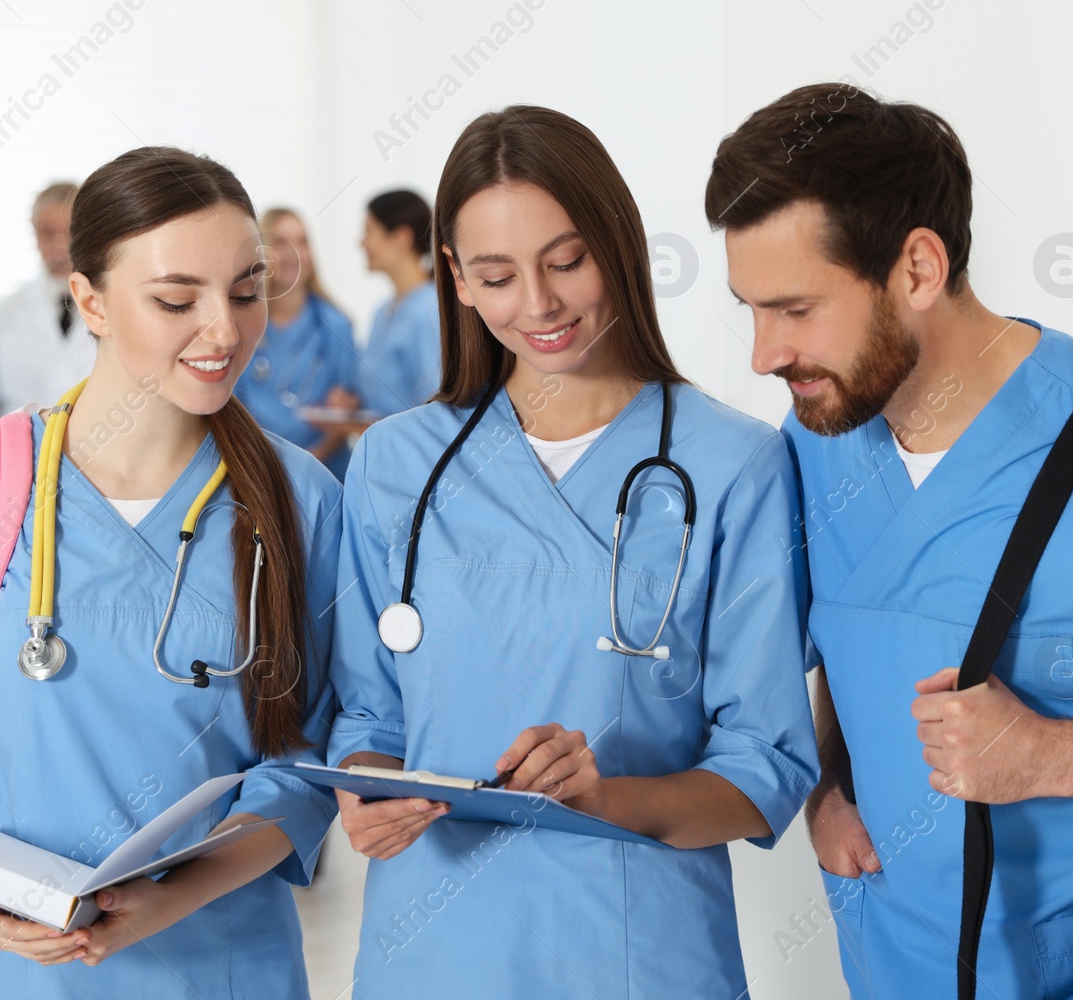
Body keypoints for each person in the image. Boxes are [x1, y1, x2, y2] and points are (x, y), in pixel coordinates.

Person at [705, 83, 1073, 998]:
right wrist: (826, 779)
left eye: (795, 309)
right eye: (750, 310)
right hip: (896, 964)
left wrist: (1054, 754)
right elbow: (863, 624)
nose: (763, 354)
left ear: (918, 269)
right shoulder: (818, 439)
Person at [329, 106, 818, 998]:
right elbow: (366, 720)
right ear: (457, 280)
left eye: (566, 261)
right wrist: (363, 791)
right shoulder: (395, 464)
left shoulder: (733, 464)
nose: (541, 305)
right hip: (431, 948)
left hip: (637, 951)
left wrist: (607, 798)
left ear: (620, 243)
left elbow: (766, 765)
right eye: (497, 275)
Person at [0, 146, 342, 998]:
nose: (224, 330)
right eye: (177, 299)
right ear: (90, 300)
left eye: (249, 291)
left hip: (218, 963)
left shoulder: (301, 500)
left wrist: (167, 897)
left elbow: (307, 763)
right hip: (5, 970)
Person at [233, 207, 361, 479]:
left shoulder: (336, 325)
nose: (294, 253)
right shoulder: (242, 326)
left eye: (302, 242)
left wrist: (312, 461)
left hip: (326, 472)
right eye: (281, 242)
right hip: (259, 470)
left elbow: (346, 411)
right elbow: (234, 407)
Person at [0, 182, 95, 415]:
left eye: (69, 233)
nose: (59, 246)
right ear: (34, 234)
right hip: (20, 449)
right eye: (48, 233)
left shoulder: (110, 307)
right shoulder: (1, 316)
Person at [351, 189, 441, 418]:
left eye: (368, 231)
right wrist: (354, 402)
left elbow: (436, 402)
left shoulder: (429, 310)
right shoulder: (382, 312)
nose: (361, 243)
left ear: (401, 238)